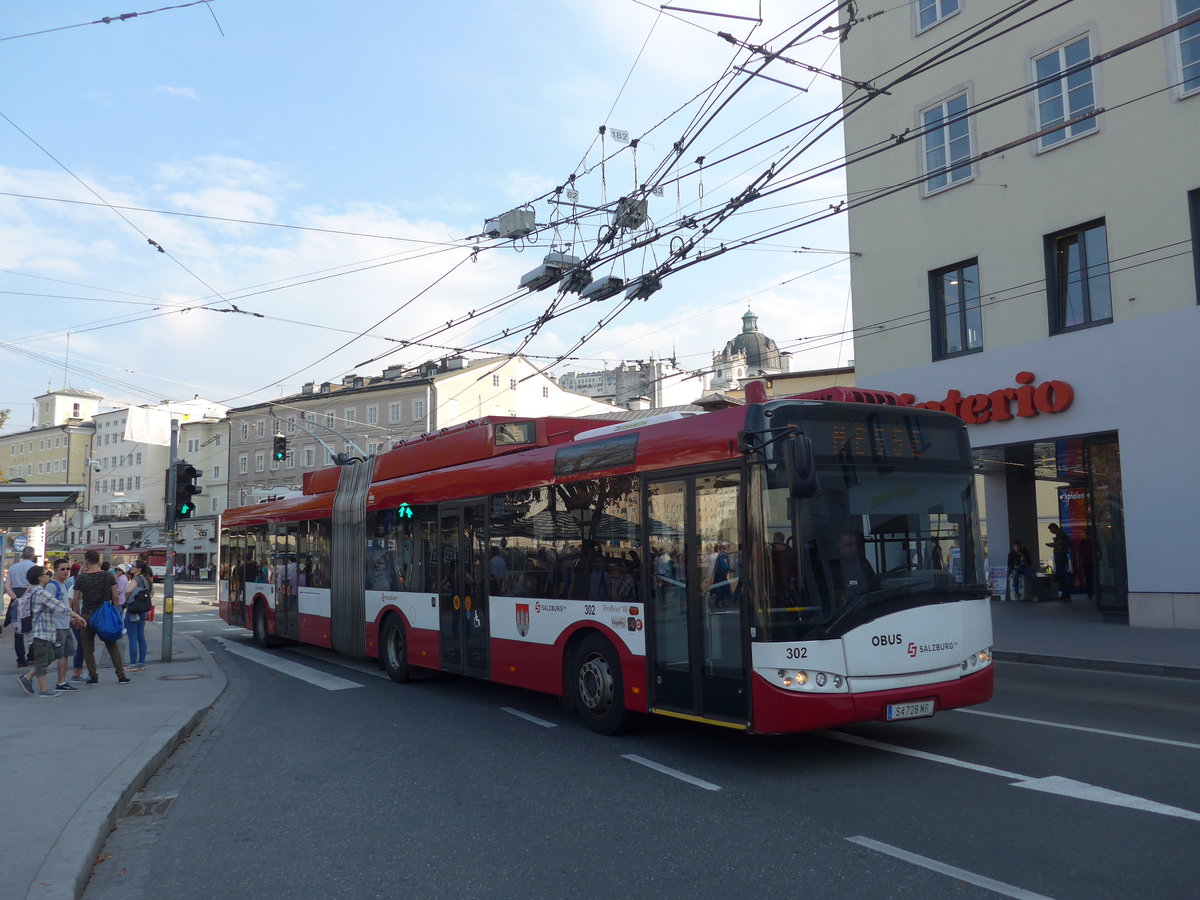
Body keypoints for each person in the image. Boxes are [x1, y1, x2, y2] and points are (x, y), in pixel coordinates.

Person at [16, 565, 87, 698]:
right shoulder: (41, 592)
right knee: (43, 659)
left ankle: (27, 678)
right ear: (39, 578)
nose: (48, 575)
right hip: (41, 632)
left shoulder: (33, 591)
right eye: (45, 573)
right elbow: (60, 606)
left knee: (50, 656)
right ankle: (43, 690)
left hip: (43, 631)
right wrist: (77, 616)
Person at [73, 549, 130, 685]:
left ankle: (93, 676)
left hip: (86, 615)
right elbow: (115, 596)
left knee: (87, 647)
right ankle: (121, 675)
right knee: (111, 644)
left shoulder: (81, 577)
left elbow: (75, 600)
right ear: (98, 560)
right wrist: (115, 612)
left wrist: (77, 616)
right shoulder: (108, 576)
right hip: (104, 614)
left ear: (86, 561)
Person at [4, 546, 38, 667]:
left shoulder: (13, 567)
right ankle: (31, 657)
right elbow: (34, 584)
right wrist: (24, 597)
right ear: (33, 556)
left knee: (17, 630)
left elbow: (7, 585)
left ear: (22, 555)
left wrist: (15, 598)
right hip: (31, 599)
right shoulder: (35, 568)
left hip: (15, 598)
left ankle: (20, 659)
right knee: (32, 628)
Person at [829, 531, 878, 605]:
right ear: (839, 545)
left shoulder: (863, 562)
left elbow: (874, 584)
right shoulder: (833, 566)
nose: (854, 547)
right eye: (849, 544)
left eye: (856, 544)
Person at [124, 560, 154, 672]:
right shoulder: (145, 580)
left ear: (139, 569)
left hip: (133, 610)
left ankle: (132, 665)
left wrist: (126, 598)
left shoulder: (136, 579)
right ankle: (141, 663)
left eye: (133, 566)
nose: (131, 568)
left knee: (132, 637)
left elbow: (128, 590)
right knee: (141, 636)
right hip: (142, 610)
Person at [1046, 523, 1072, 601]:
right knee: (1061, 575)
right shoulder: (1060, 534)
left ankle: (1066, 594)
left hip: (1061, 556)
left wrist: (1054, 545)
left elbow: (1062, 544)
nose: (1051, 532)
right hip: (1060, 556)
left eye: (1051, 530)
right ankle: (1065, 593)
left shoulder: (1061, 534)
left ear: (1054, 528)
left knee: (1061, 576)